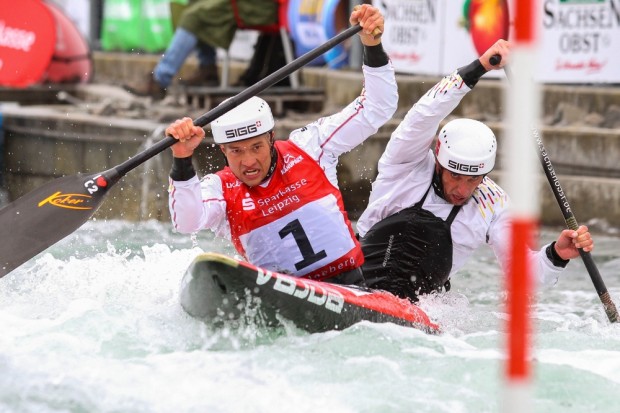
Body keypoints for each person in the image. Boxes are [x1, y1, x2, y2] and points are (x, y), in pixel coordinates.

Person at [165, 5, 396, 284]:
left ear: (272, 139)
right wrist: (181, 159)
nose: (248, 161)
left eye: (257, 147)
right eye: (236, 151)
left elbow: (377, 107)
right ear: (223, 151)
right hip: (278, 298)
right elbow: (187, 223)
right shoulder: (220, 189)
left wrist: (372, 46)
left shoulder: (311, 147)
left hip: (350, 287)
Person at [356, 39, 594, 302]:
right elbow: (425, 113)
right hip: (355, 277)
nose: (462, 189)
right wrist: (478, 68)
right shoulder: (406, 160)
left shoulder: (494, 205)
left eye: (473, 179)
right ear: (438, 159)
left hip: (420, 306)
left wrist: (557, 254)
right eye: (455, 175)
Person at [124, 0, 279, 99]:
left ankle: (160, 78)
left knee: (195, 16)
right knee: (194, 5)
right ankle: (207, 69)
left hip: (259, 5)